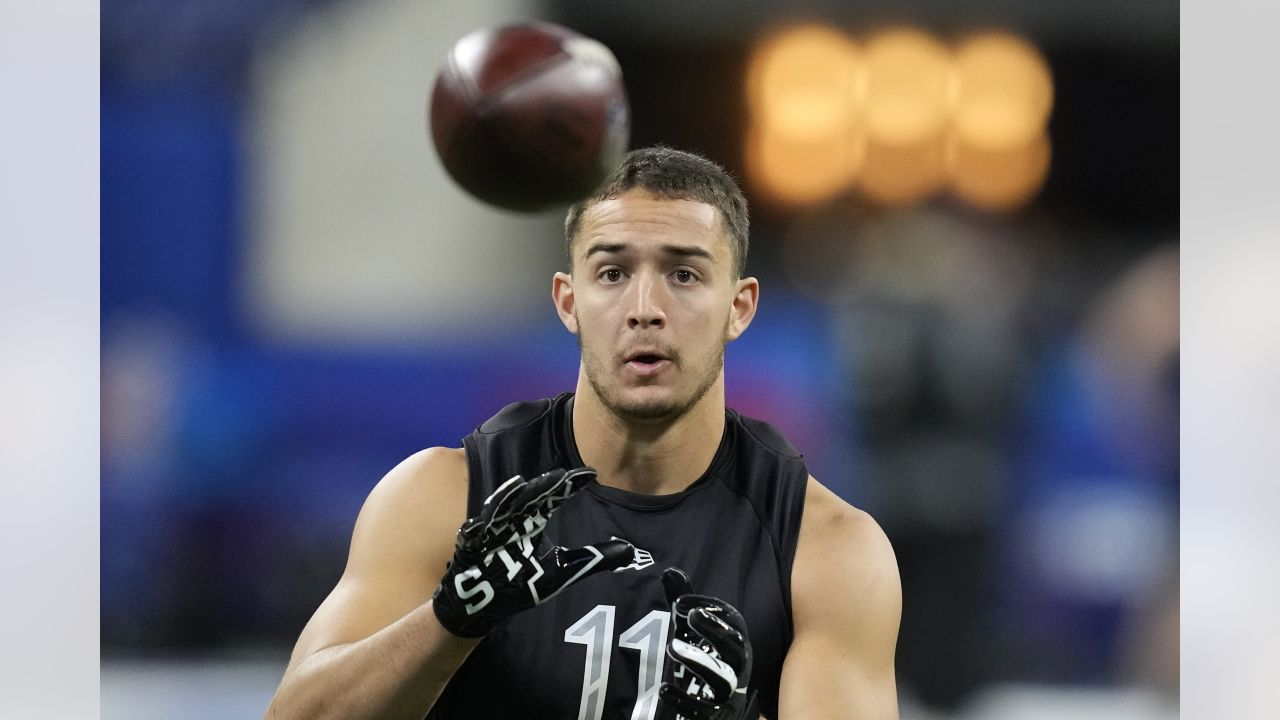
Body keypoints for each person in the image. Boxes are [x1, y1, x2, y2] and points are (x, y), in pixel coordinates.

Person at [264, 147, 902, 719]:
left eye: (684, 274)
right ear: (568, 301)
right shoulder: (445, 498)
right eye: (612, 273)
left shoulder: (823, 549)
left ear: (739, 306)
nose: (645, 308)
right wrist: (449, 622)